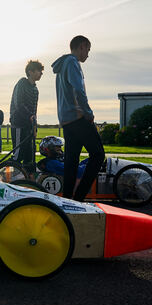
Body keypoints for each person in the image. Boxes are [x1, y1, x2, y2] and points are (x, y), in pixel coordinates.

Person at [52, 35, 105, 202]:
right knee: (98, 155)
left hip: (66, 120)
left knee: (71, 161)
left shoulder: (62, 66)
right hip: (78, 117)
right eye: (88, 50)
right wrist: (88, 113)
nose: (88, 55)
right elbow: (78, 90)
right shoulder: (72, 62)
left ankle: (68, 200)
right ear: (81, 46)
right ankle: (79, 197)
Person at [9, 60, 43, 173]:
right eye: (39, 71)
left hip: (29, 126)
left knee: (30, 156)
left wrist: (34, 127)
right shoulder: (22, 83)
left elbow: (35, 110)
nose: (41, 73)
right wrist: (29, 116)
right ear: (30, 71)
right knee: (18, 155)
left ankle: (28, 182)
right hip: (19, 124)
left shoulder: (35, 89)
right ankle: (11, 180)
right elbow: (19, 104)